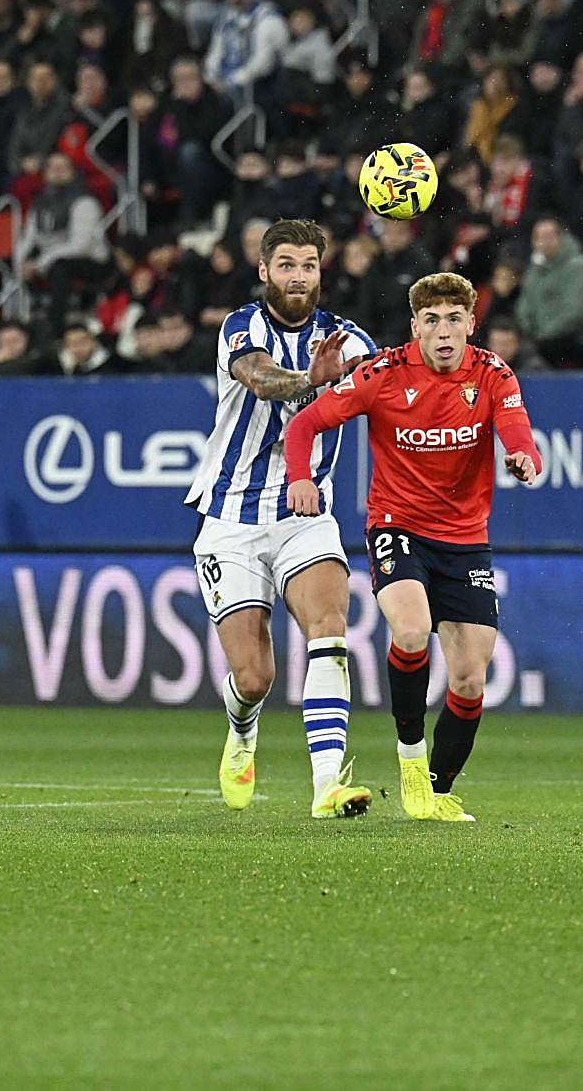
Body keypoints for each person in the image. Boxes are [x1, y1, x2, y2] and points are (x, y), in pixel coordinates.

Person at [284, 272, 544, 823]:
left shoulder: (493, 373)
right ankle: (409, 755)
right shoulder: (382, 373)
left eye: (454, 319)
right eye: (432, 321)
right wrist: (300, 477)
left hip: (466, 540)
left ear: (472, 325)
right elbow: (305, 423)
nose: (443, 331)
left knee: (471, 678)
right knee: (408, 629)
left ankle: (436, 788)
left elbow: (518, 431)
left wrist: (525, 459)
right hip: (397, 526)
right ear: (415, 328)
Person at [186, 218, 377, 820]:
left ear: (323, 272)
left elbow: (385, 392)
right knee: (254, 675)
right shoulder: (240, 326)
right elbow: (261, 379)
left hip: (305, 512)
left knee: (329, 629)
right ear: (265, 270)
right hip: (231, 518)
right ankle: (242, 730)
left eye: (309, 265)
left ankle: (327, 785)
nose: (299, 276)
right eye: (287, 265)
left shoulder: (349, 340)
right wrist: (309, 381)